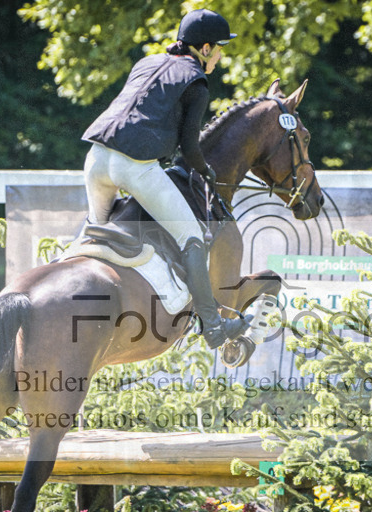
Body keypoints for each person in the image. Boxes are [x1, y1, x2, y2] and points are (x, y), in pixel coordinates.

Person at [80, 8, 247, 349]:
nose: (219, 56)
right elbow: (189, 145)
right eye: (218, 48)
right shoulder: (196, 81)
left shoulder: (146, 63)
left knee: (95, 234)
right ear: (203, 49)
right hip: (134, 165)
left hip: (96, 159)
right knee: (193, 238)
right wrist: (206, 171)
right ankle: (213, 326)